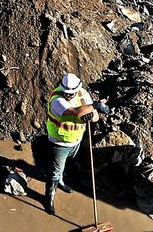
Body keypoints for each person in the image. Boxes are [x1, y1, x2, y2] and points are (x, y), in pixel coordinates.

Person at [38, 72, 110, 215]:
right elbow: (76, 112)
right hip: (59, 143)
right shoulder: (57, 100)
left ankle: (61, 181)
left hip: (76, 140)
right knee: (55, 171)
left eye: (71, 93)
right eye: (66, 92)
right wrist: (94, 105)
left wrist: (92, 113)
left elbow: (95, 117)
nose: (69, 95)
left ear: (78, 89)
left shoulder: (83, 94)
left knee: (63, 167)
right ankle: (49, 197)